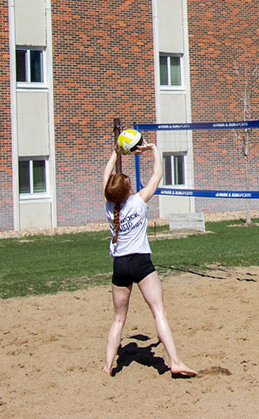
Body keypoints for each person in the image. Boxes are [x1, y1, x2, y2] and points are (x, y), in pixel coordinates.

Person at [102, 141, 197, 378]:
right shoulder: (139, 201)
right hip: (141, 262)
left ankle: (107, 366)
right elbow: (158, 173)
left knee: (118, 319)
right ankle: (174, 361)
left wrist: (117, 153)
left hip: (120, 265)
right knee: (159, 313)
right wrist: (152, 149)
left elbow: (106, 178)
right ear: (127, 190)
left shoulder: (109, 206)